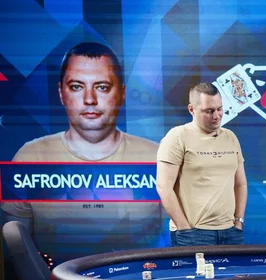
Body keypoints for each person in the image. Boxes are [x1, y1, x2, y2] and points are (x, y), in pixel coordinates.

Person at [1, 42, 163, 261]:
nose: (89, 99)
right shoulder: (29, 158)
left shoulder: (158, 159)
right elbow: (17, 253)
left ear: (122, 93)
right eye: (77, 86)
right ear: (61, 92)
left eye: (102, 87)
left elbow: (173, 244)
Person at [156, 82, 247, 246]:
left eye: (219, 109)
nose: (216, 116)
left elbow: (240, 184)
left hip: (231, 233)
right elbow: (164, 187)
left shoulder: (231, 137)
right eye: (209, 111)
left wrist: (238, 222)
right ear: (192, 109)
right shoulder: (177, 137)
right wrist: (183, 227)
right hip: (192, 233)